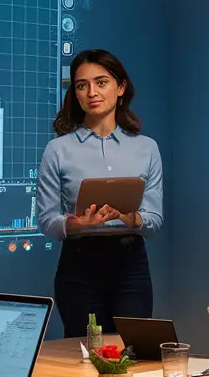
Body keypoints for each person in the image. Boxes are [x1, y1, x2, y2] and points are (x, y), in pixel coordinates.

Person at [36, 49, 163, 338]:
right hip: (79, 265)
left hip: (131, 264)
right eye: (82, 85)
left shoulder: (147, 148)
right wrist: (76, 224)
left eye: (101, 82)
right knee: (84, 354)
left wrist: (132, 219)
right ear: (76, 95)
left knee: (132, 352)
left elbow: (155, 220)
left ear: (121, 88)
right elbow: (46, 220)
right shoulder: (58, 150)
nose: (92, 92)